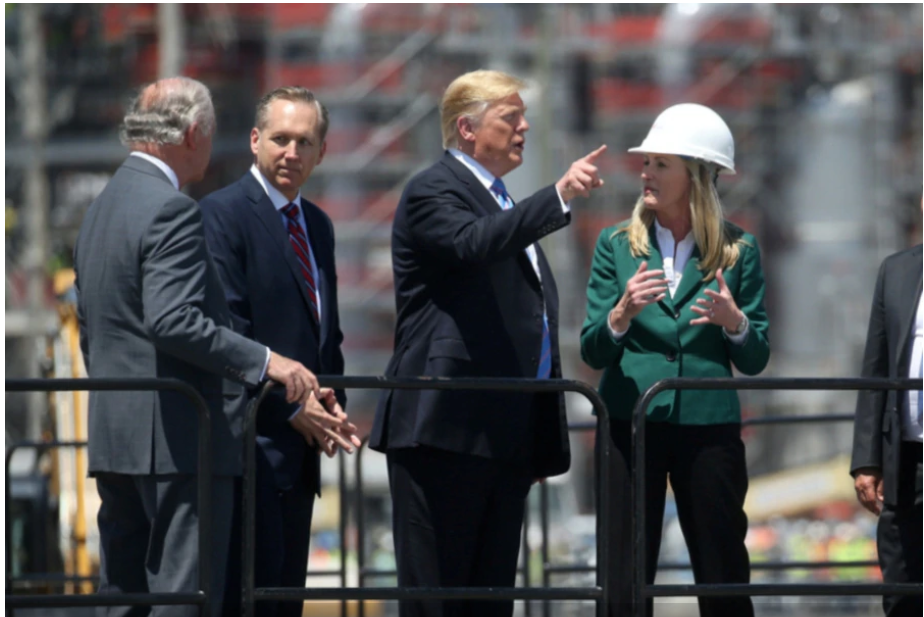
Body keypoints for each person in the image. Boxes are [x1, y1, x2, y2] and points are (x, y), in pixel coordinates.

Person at [73, 77, 323, 617]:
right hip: (180, 441)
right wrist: (267, 360)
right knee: (184, 599)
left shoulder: (100, 209)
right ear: (192, 134)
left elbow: (90, 325)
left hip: (115, 437)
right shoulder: (172, 209)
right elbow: (175, 320)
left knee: (124, 597)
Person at [369, 68, 605, 617]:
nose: (525, 128)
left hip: (501, 436)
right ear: (467, 129)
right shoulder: (434, 188)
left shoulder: (501, 202)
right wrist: (559, 195)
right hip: (445, 428)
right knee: (439, 596)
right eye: (511, 118)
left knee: (489, 597)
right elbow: (471, 244)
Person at [580, 103, 770, 617]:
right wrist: (620, 313)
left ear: (697, 175)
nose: (645, 173)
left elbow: (756, 359)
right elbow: (591, 348)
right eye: (646, 163)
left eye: (661, 164)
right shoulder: (616, 245)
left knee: (723, 565)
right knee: (623, 569)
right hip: (629, 424)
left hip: (708, 427)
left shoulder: (739, 251)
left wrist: (735, 323)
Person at [199, 86, 362, 617]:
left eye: (305, 141)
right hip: (249, 448)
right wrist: (293, 407)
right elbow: (231, 331)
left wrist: (330, 401)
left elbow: (324, 331)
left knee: (285, 602)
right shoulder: (221, 215)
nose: (291, 152)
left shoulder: (319, 224)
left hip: (301, 456)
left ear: (322, 152)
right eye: (280, 139)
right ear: (254, 141)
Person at [850, 221, 922, 617]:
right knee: (900, 586)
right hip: (904, 459)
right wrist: (866, 460)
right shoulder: (896, 270)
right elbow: (875, 368)